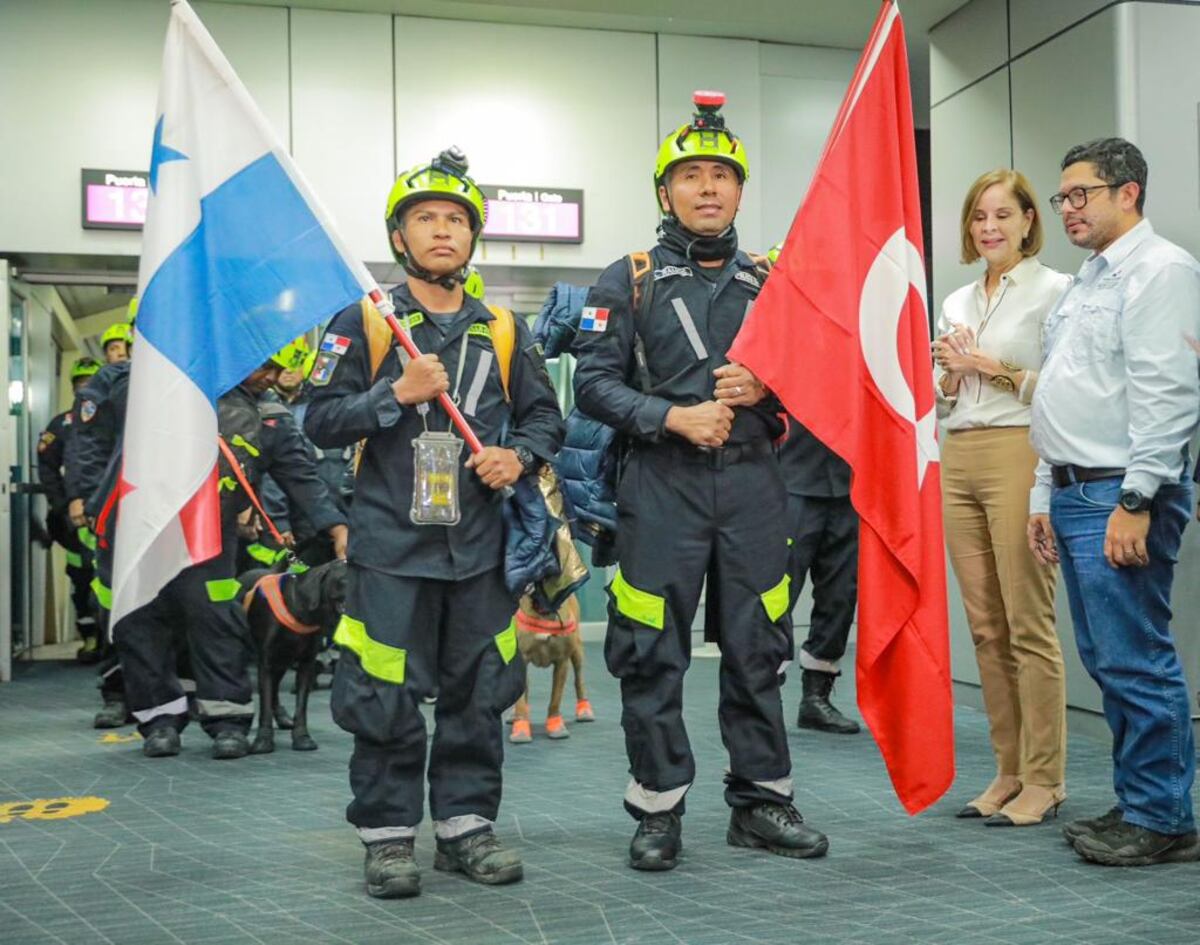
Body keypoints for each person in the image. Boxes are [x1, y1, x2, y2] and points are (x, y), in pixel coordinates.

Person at [572, 92, 828, 872]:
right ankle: (657, 806)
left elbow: (819, 382)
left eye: (722, 175)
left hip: (756, 487)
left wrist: (769, 389)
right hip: (660, 487)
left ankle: (761, 801)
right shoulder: (629, 278)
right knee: (651, 650)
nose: (708, 188)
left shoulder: (773, 281)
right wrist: (669, 417)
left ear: (741, 191)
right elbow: (589, 384)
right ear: (664, 192)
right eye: (691, 176)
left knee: (760, 649)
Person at [305, 147, 564, 899]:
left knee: (480, 690)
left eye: (456, 219)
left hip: (482, 552)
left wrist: (517, 457)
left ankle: (464, 828)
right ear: (400, 238)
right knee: (382, 693)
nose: (442, 231)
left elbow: (548, 419)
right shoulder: (364, 322)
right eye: (426, 219)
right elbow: (319, 420)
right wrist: (396, 392)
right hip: (391, 549)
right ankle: (387, 838)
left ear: (472, 237)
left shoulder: (505, 330)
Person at [1027, 138, 1200, 865]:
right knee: (1107, 658)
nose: (1066, 208)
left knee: (1136, 658)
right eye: (1063, 196)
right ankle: (1140, 797)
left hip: (1120, 492)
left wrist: (1137, 496)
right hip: (1075, 489)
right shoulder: (1088, 280)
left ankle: (1164, 816)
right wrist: (1042, 491)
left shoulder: (1161, 270)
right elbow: (1066, 392)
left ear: (1128, 193)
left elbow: (1169, 393)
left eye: (1080, 194)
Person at [115, 342, 347, 761]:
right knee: (143, 622)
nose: (271, 379)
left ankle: (228, 719)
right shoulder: (175, 389)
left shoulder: (271, 417)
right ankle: (160, 721)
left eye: (279, 373)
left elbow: (302, 479)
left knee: (216, 618)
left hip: (212, 538)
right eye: (266, 368)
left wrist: (336, 526)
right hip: (149, 531)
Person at [931, 169, 1072, 827]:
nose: (988, 227)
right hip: (958, 454)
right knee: (985, 627)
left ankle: (1046, 778)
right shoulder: (956, 301)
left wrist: (991, 368)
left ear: (1026, 222)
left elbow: (1066, 388)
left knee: (1028, 622)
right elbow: (941, 392)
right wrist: (951, 378)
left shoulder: (1056, 293)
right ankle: (1009, 770)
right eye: (977, 216)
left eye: (1001, 215)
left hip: (1021, 450)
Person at [766, 244, 862, 736]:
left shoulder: (854, 333)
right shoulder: (775, 335)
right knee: (777, 593)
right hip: (792, 483)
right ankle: (765, 693)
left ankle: (817, 697)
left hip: (847, 483)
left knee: (840, 597)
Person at [37, 356, 102, 662]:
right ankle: (89, 637)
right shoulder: (61, 424)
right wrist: (61, 504)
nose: (85, 388)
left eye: (90, 382)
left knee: (109, 579)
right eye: (80, 383)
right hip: (72, 520)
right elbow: (48, 466)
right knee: (80, 575)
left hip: (106, 514)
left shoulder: (110, 417)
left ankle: (111, 639)